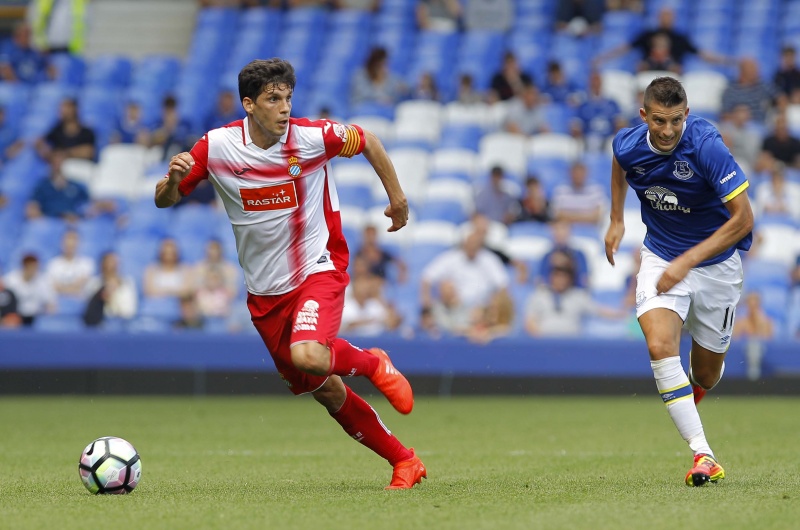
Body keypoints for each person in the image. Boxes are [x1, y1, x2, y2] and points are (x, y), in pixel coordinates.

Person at [154, 58, 426, 489]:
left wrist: (398, 199)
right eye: (273, 99)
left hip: (319, 267)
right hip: (265, 293)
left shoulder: (312, 138)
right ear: (249, 104)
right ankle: (405, 461)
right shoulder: (218, 146)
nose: (284, 108)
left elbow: (368, 140)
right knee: (326, 389)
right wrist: (173, 180)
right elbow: (164, 199)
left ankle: (374, 363)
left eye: (288, 98)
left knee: (309, 355)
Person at [604, 76, 754, 486]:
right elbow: (619, 162)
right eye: (658, 121)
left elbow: (744, 219)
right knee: (659, 345)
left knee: (705, 375)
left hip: (716, 266)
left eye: (675, 120)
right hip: (660, 256)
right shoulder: (628, 144)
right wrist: (616, 219)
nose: (668, 130)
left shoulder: (705, 146)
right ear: (644, 116)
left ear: (686, 114)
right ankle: (704, 454)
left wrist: (688, 261)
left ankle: (692, 389)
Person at [594, 8, 728, 74]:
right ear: (659, 17)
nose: (666, 19)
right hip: (648, 74)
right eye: (664, 15)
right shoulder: (648, 34)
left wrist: (726, 61)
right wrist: (603, 57)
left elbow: (702, 54)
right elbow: (625, 48)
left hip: (672, 75)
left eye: (669, 16)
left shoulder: (680, 38)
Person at [26, 152, 90, 221]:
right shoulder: (43, 186)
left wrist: (77, 216)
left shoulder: (75, 186)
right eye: (55, 162)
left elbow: (87, 205)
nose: (58, 165)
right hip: (49, 220)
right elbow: (33, 205)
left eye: (61, 162)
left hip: (72, 221)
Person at [82, 251, 138, 327]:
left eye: (114, 263)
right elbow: (90, 311)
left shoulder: (127, 283)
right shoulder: (94, 284)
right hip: (99, 325)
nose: (111, 266)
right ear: (102, 265)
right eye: (108, 263)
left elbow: (129, 311)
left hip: (123, 325)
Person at [35, 98, 96, 162]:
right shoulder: (56, 131)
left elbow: (89, 152)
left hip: (80, 165)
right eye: (62, 108)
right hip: (61, 165)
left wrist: (66, 153)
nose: (63, 111)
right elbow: (41, 144)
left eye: (67, 108)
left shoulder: (86, 132)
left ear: (75, 109)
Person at [3, 253, 57, 326]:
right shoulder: (10, 280)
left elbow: (51, 303)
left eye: (36, 267)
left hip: (36, 318)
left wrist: (49, 318)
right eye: (31, 267)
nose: (34, 270)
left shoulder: (43, 281)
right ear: (24, 266)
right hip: (15, 318)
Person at [720, 58, 777, 124]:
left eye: (756, 69)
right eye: (752, 69)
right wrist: (737, 117)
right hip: (738, 126)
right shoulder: (730, 91)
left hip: (760, 125)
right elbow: (724, 116)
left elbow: (780, 98)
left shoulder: (763, 85)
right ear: (743, 71)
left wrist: (780, 113)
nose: (756, 72)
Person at [46, 229, 94, 297]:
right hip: (58, 301)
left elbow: (81, 285)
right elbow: (53, 287)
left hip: (80, 300)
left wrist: (63, 288)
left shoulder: (87, 263)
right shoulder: (53, 264)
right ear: (61, 242)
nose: (70, 243)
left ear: (79, 242)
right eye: (67, 239)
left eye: (73, 239)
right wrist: (71, 288)